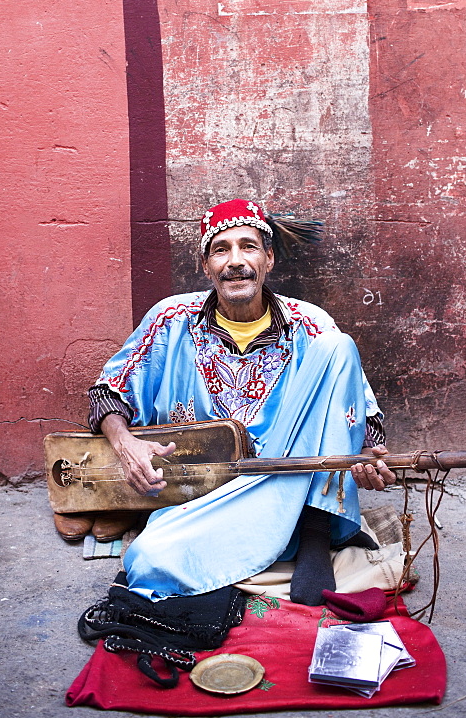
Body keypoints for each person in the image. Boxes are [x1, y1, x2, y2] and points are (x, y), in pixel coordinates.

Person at [72, 199, 395, 603]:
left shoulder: (310, 323)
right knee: (148, 559)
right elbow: (108, 392)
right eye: (221, 249)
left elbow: (361, 413)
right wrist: (126, 445)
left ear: (269, 258)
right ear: (206, 266)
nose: (235, 261)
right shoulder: (170, 319)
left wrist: (365, 453)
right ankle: (275, 537)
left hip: (290, 477)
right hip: (205, 488)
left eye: (248, 246)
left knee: (338, 346)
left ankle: (314, 536)